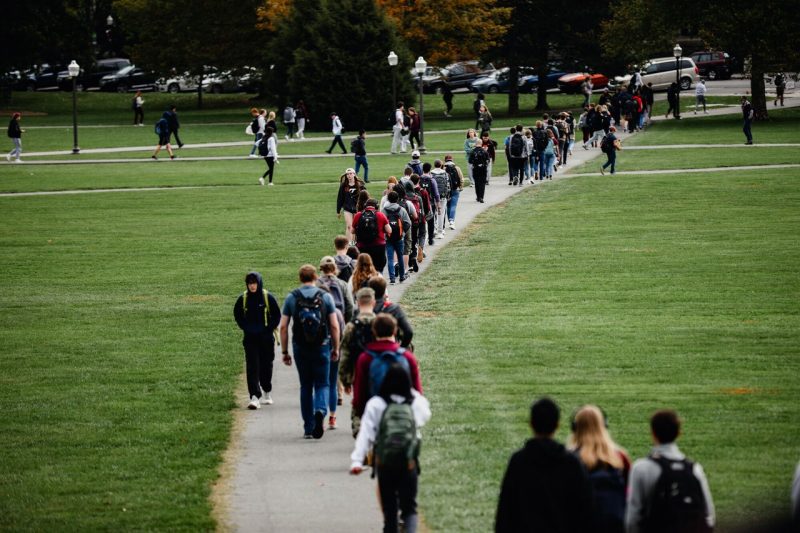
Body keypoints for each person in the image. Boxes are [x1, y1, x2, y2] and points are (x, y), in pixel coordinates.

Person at [350, 364, 431, 533]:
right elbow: (425, 416)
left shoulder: (376, 403)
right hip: (408, 461)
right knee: (409, 509)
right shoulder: (415, 401)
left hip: (385, 462)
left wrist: (357, 460)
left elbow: (366, 433)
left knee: (390, 511)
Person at [495, 397, 593, 532]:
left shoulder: (519, 461)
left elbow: (505, 512)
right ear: (557, 425)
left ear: (531, 424)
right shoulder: (571, 463)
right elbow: (584, 511)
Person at [625, 409, 715, 533]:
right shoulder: (695, 469)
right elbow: (709, 515)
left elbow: (633, 518)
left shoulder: (641, 468)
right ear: (679, 433)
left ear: (652, 433)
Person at [279, 264, 341, 439]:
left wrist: (285, 351)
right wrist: (335, 348)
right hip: (322, 345)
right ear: (315, 277)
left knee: (306, 385)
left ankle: (308, 427)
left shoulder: (292, 298)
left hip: (301, 346)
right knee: (322, 383)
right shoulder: (325, 297)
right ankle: (320, 410)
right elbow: (334, 326)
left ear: (300, 278)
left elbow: (283, 327)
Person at [568, 405, 631, 533]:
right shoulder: (619, 457)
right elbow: (630, 494)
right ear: (604, 426)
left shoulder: (568, 459)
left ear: (575, 428)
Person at [351, 313, 423, 419]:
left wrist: (363, 415)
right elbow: (417, 391)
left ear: (374, 332)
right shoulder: (407, 357)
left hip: (376, 413)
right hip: (403, 414)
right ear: (394, 331)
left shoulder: (365, 358)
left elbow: (359, 394)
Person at [233, 271, 281, 409]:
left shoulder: (267, 297)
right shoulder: (243, 299)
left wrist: (268, 329)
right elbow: (237, 314)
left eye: (254, 283)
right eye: (250, 284)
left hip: (266, 338)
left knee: (266, 365)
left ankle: (266, 390)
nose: (252, 286)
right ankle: (254, 396)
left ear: (259, 283)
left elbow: (276, 315)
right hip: (250, 338)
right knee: (252, 366)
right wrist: (245, 327)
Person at [316, 256, 353, 429]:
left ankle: (319, 410)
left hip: (319, 332)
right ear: (335, 269)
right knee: (333, 371)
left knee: (320, 379)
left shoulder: (316, 286)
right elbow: (350, 307)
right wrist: (344, 323)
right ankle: (333, 413)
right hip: (338, 328)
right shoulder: (342, 285)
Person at [368, 275, 414, 349]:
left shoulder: (364, 309)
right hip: (391, 347)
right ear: (384, 292)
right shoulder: (394, 309)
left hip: (370, 348)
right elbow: (408, 332)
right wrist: (401, 348)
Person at [352, 198, 391, 275]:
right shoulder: (380, 215)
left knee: (364, 268)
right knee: (378, 268)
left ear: (365, 206)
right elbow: (389, 230)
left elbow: (352, 231)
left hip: (362, 246)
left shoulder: (358, 215)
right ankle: (378, 283)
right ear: (376, 206)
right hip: (378, 245)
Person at [382, 191, 411, 285]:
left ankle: (392, 278)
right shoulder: (401, 210)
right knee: (400, 257)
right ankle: (402, 276)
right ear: (397, 199)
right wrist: (402, 233)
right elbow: (408, 223)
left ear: (388, 199)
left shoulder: (384, 210)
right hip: (399, 237)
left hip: (388, 238)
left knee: (390, 258)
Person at [336, 168, 366, 244]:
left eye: (350, 174)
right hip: (347, 208)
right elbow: (340, 198)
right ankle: (348, 243)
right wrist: (338, 211)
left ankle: (354, 242)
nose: (349, 175)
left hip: (357, 209)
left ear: (354, 174)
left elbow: (365, 196)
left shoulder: (360, 185)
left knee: (356, 226)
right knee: (349, 226)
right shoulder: (344, 185)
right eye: (347, 174)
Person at [430, 160, 450, 238]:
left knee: (433, 213)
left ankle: (434, 229)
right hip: (442, 196)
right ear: (441, 165)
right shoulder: (445, 173)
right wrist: (448, 195)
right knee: (441, 214)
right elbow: (448, 185)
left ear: (434, 165)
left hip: (432, 196)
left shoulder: (431, 173)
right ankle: (440, 232)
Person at [443, 154, 463, 230]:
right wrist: (460, 187)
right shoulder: (457, 168)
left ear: (445, 160)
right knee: (453, 205)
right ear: (452, 160)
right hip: (455, 189)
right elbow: (461, 178)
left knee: (448, 205)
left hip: (447, 190)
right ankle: (452, 221)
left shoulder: (443, 168)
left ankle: (450, 220)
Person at [469, 139, 489, 203]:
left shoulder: (473, 152)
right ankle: (481, 197)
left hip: (475, 169)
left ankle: (478, 196)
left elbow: (470, 161)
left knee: (477, 183)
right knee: (482, 183)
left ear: (475, 143)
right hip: (483, 169)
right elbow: (488, 160)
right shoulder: (484, 151)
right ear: (481, 143)